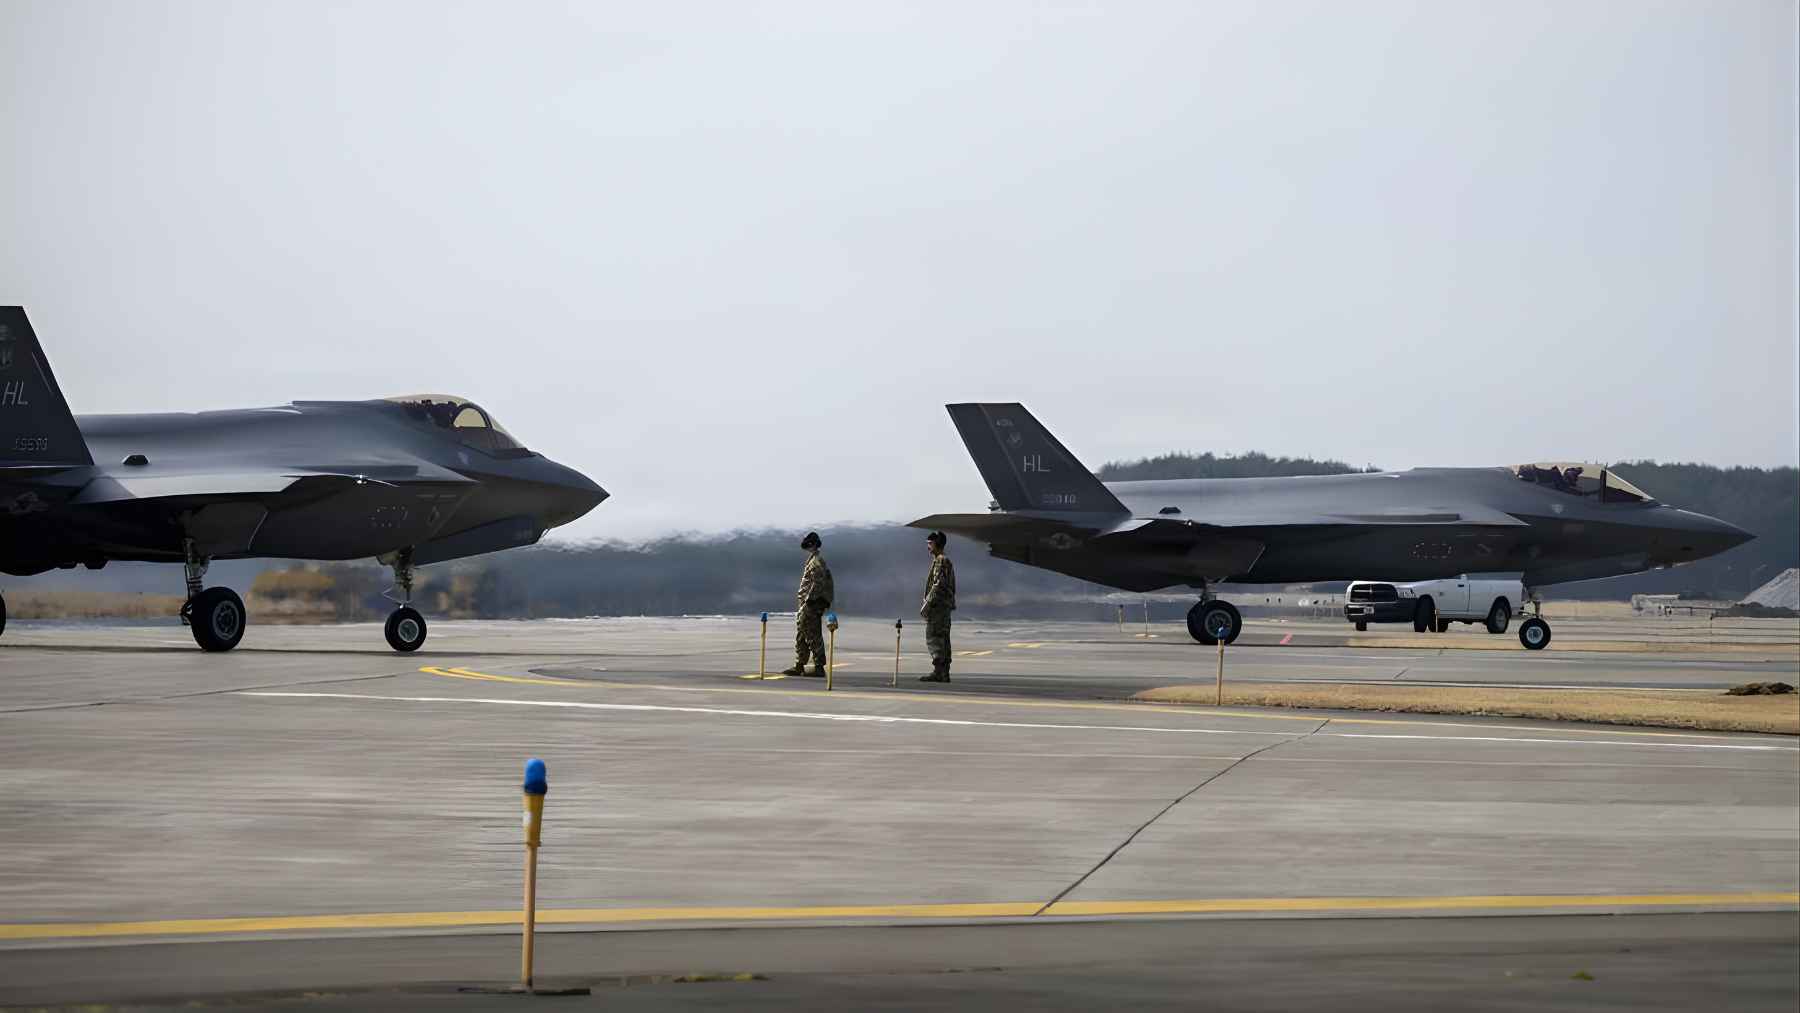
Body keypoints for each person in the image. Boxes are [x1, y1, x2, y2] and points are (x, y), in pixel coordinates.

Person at [782, 531, 833, 677]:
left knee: (812, 633)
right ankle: (800, 664)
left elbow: (818, 583)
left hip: (811, 603)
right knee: (802, 633)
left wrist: (810, 600)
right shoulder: (813, 560)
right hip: (807, 603)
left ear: (812, 545)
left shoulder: (816, 561)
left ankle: (818, 667)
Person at [919, 530, 956, 682]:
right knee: (943, 638)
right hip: (943, 607)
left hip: (938, 607)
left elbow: (938, 584)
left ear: (936, 544)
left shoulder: (941, 560)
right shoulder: (943, 560)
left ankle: (939, 671)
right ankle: (944, 672)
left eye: (930, 543)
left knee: (933, 637)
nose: (928, 547)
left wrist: (927, 603)